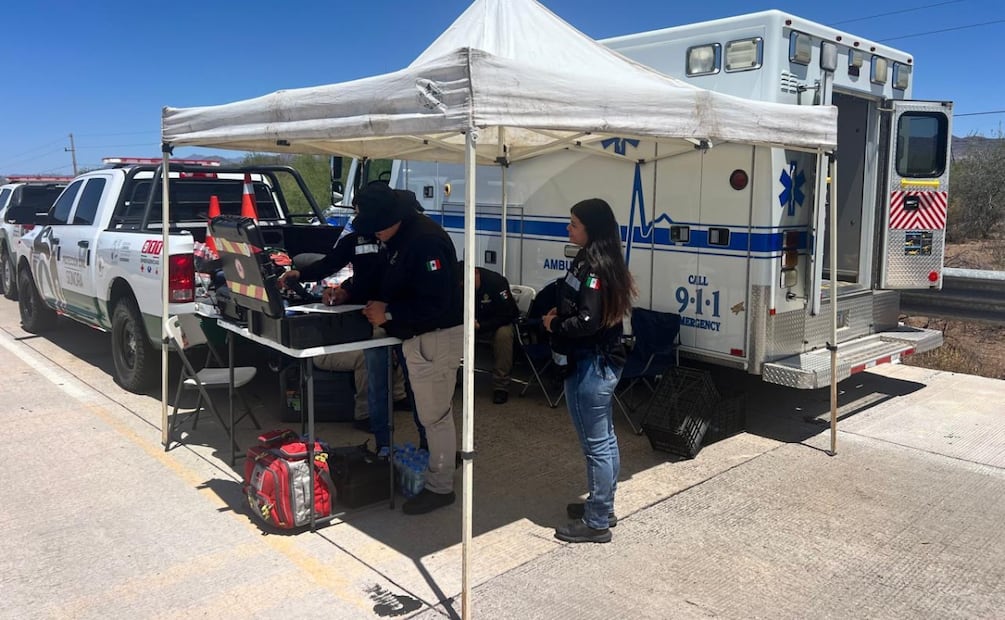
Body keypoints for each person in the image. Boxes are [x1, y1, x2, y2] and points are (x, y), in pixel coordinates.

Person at [277, 183, 413, 453]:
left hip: (402, 315)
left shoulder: (402, 237)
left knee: (409, 371)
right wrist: (302, 276)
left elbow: (392, 277)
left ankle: (406, 409)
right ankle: (379, 436)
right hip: (369, 318)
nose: (358, 216)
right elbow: (332, 264)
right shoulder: (356, 237)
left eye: (361, 210)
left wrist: (352, 291)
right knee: (375, 372)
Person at [355, 182, 463, 516]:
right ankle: (441, 466)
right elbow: (396, 280)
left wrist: (388, 314)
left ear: (390, 220)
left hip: (435, 335)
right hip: (421, 335)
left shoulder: (424, 242)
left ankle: (440, 487)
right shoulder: (403, 234)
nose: (374, 236)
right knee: (433, 414)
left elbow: (435, 302)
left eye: (376, 230)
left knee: (435, 417)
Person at [542, 198, 636, 544]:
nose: (568, 229)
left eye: (574, 224)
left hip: (591, 364)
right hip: (598, 362)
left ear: (591, 229)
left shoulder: (595, 266)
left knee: (596, 445)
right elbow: (584, 306)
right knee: (605, 440)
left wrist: (555, 324)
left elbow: (587, 320)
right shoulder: (594, 260)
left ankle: (597, 521)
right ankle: (603, 506)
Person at [459, 262, 519, 404]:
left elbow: (509, 313)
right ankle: (450, 377)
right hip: (471, 323)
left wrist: (482, 325)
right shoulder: (459, 286)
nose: (465, 286)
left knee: (504, 335)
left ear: (476, 273)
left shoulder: (496, 282)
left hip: (496, 323)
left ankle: (501, 386)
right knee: (450, 332)